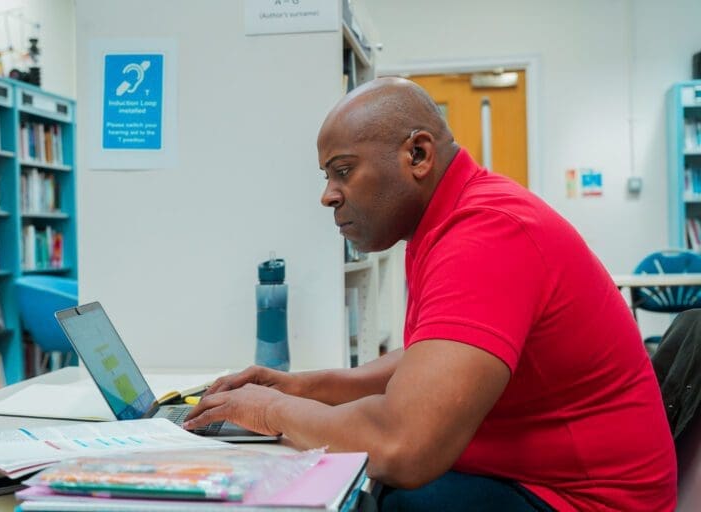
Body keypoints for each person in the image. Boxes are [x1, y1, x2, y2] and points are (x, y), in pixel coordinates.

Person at [184, 77, 677, 511]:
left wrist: (268, 411)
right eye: (327, 176)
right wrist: (302, 388)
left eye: (343, 170)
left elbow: (402, 444)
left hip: (587, 501)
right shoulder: (448, 221)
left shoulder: (486, 233)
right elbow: (433, 358)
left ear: (417, 155)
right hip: (550, 482)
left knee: (390, 491)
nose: (328, 194)